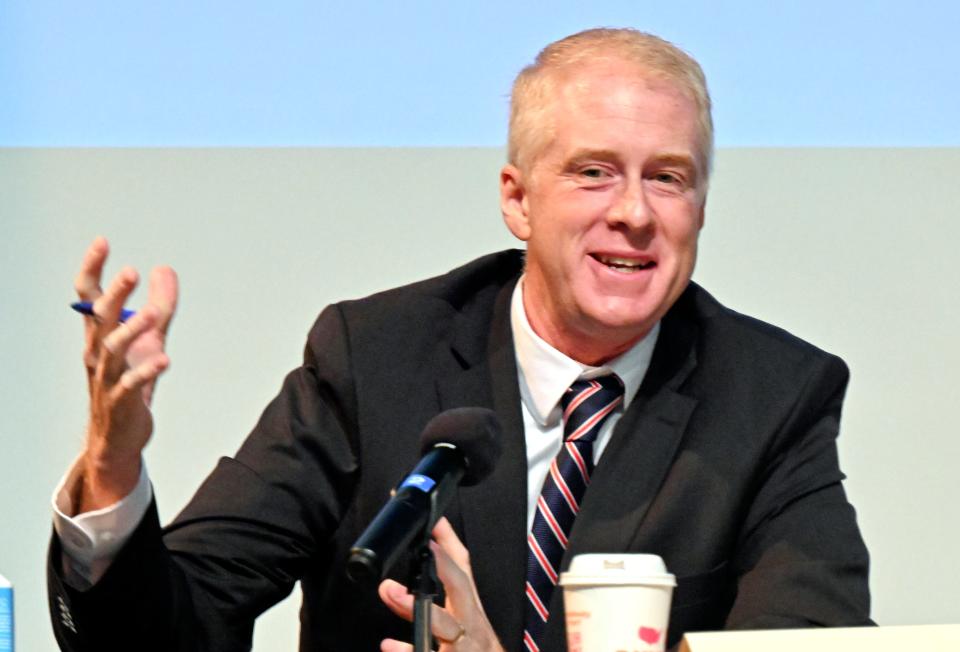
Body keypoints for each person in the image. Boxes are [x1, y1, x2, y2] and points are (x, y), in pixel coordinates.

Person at [48, 28, 871, 652]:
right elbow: (167, 629)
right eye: (593, 172)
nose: (634, 212)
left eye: (668, 176)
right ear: (517, 200)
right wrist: (112, 471)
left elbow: (805, 642)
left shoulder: (773, 397)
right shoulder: (373, 359)